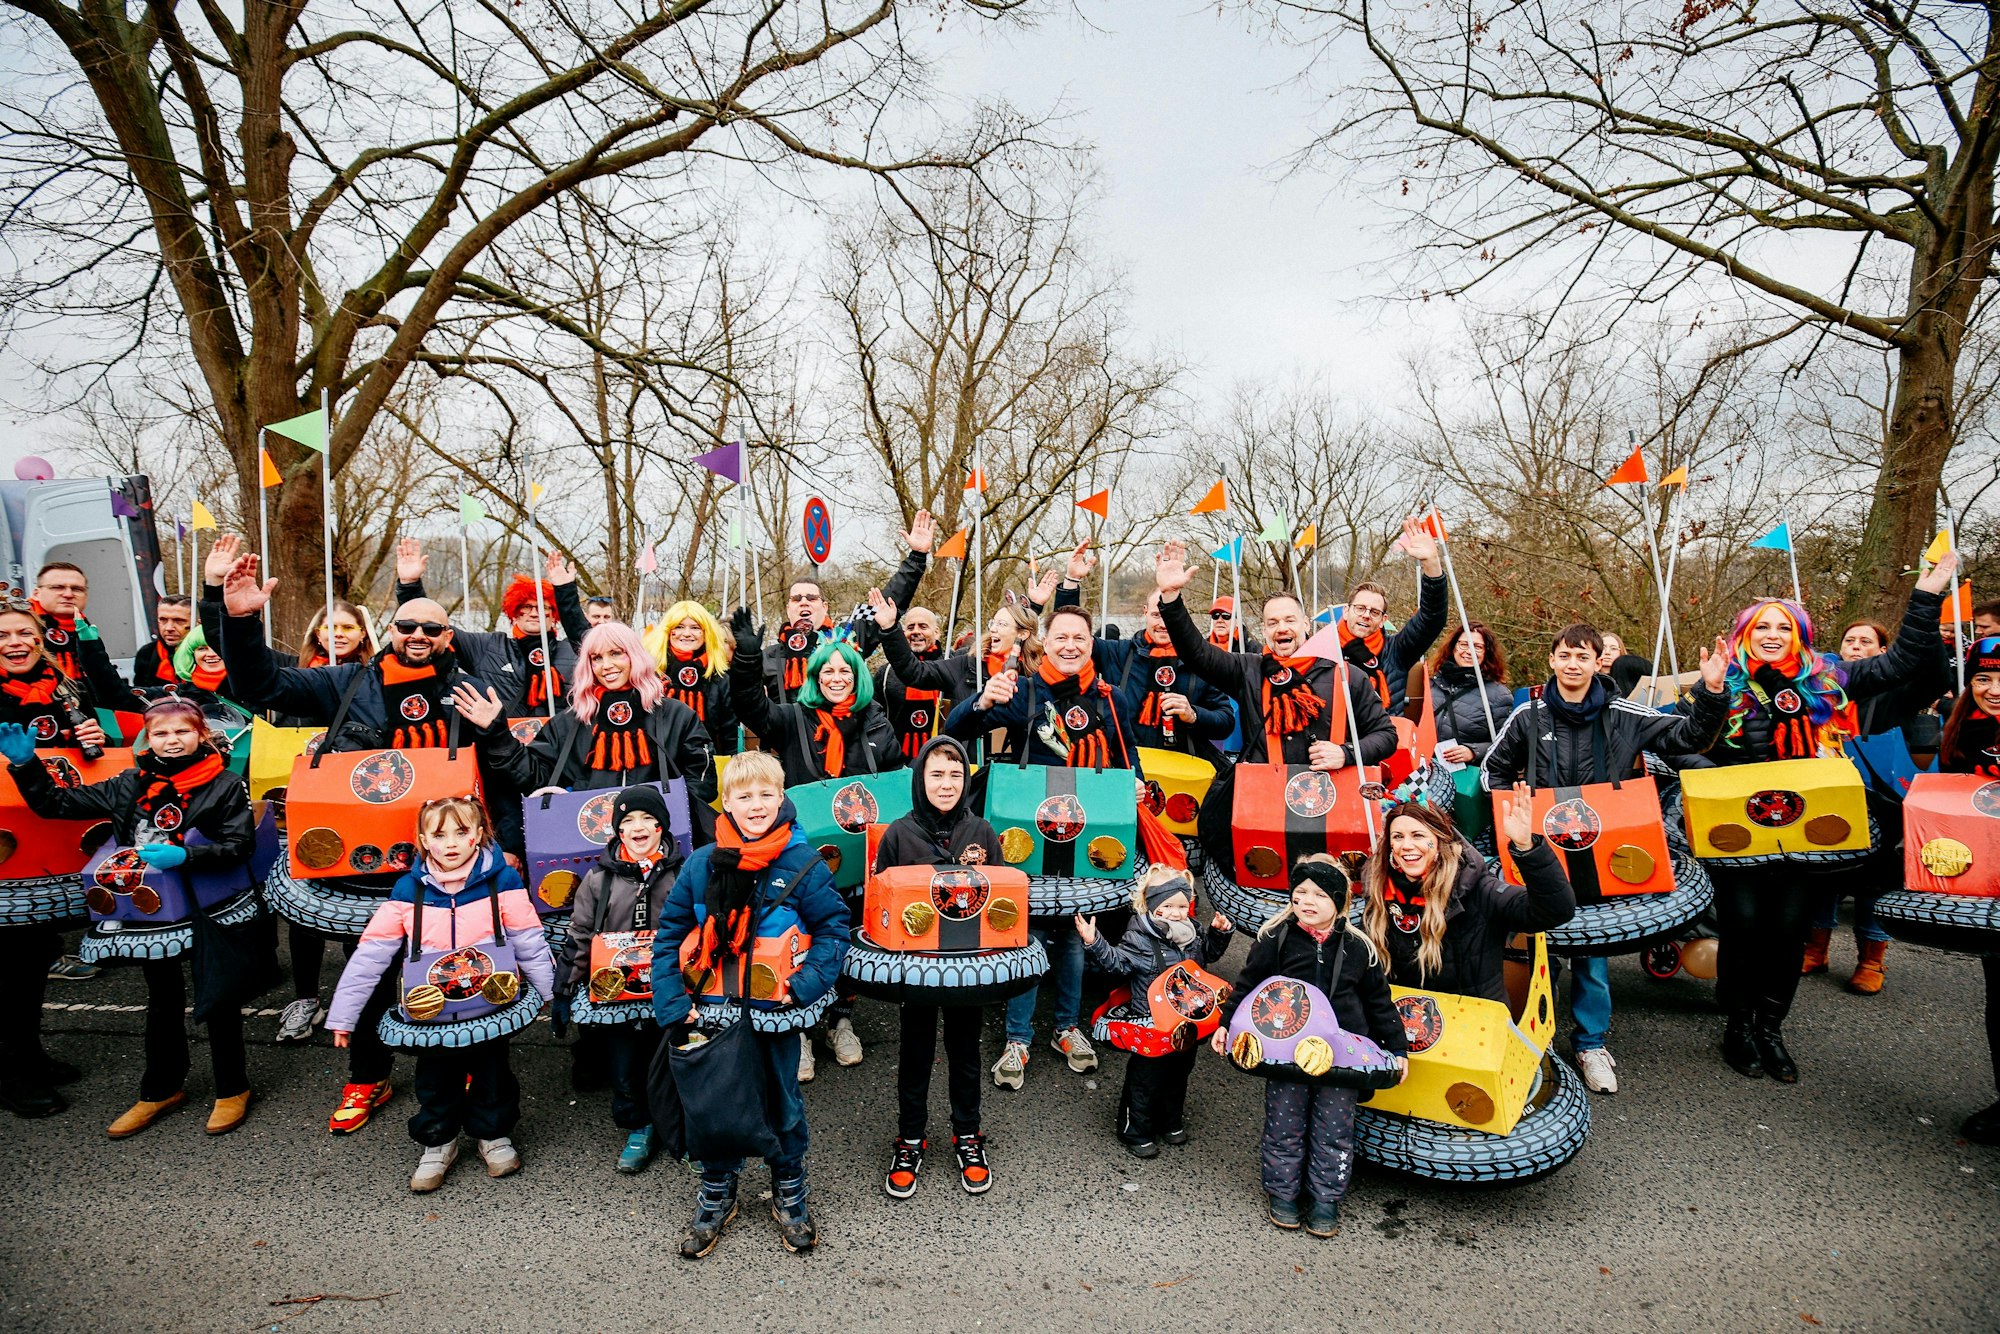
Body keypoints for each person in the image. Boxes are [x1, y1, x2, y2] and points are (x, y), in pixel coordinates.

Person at [216, 551, 508, 1132]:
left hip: (451, 861)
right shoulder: (347, 681)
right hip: (363, 864)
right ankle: (368, 1076)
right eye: (407, 626)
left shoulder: (473, 687)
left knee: (449, 963)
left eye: (431, 627)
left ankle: (457, 1069)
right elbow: (257, 683)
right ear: (390, 629)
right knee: (369, 968)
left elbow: (502, 770)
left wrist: (510, 836)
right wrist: (241, 622)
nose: (418, 635)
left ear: (447, 635)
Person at [1705, 556, 1955, 1083]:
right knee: (1744, 927)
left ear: (1800, 636)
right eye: (1762, 626)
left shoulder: (1830, 680)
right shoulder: (1718, 683)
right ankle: (1738, 1027)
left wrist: (1927, 597)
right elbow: (1685, 745)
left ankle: (1771, 1029)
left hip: (1808, 831)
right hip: (1741, 834)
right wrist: (1722, 756)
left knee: (1788, 931)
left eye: (1784, 627)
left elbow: (1906, 663)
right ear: (1744, 634)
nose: (1773, 635)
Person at [1480, 622, 1728, 1093]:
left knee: (1594, 950)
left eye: (1583, 657)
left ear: (1599, 663)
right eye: (1564, 656)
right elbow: (1493, 768)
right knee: (1537, 949)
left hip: (1608, 851)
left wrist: (1711, 691)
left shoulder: (1626, 713)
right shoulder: (1526, 715)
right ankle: (1536, 1044)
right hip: (1540, 850)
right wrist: (1508, 821)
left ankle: (1591, 1043)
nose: (1573, 664)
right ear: (1552, 661)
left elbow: (1687, 738)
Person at [2, 697, 258, 1137]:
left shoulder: (227, 784)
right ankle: (160, 1088)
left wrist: (187, 854)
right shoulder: (128, 783)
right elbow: (57, 806)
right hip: (150, 906)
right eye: (160, 733)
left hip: (208, 903)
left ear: (201, 734)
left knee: (217, 996)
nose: (172, 740)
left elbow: (241, 845)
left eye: (181, 731)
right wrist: (26, 765)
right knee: (162, 999)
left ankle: (232, 1088)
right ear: (147, 739)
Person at [945, 602, 1174, 1091]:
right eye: (1061, 637)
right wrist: (982, 701)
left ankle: (1066, 1027)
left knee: (1075, 933)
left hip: (1089, 841)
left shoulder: (1110, 699)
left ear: (1091, 645)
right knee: (1028, 933)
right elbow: (955, 731)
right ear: (1044, 643)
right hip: (1025, 839)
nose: (1071, 646)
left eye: (1080, 639)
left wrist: (1136, 784)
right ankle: (1017, 1037)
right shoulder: (1022, 692)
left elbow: (1129, 759)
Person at [651, 752, 849, 1257]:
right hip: (711, 1012)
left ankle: (788, 1186)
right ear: (727, 803)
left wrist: (804, 986)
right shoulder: (700, 864)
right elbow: (670, 934)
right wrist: (673, 1000)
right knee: (714, 1105)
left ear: (782, 797)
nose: (756, 805)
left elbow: (833, 929)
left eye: (766, 794)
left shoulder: (804, 864)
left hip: (776, 1013)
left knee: (782, 1102)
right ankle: (718, 1188)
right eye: (744, 796)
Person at [326, 796, 554, 1192]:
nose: (451, 842)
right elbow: (370, 955)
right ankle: (438, 1142)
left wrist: (551, 993)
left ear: (479, 836)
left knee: (493, 1072)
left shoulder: (504, 881)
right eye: (439, 833)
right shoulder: (407, 888)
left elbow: (529, 940)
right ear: (423, 840)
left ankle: (493, 1135)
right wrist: (344, 1015)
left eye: (462, 832)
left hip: (490, 1003)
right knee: (434, 1077)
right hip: (429, 1008)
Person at [1150, 541, 1400, 869]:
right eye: (1272, 622)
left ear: (1306, 625)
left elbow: (1386, 736)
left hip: (1330, 802)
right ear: (1264, 630)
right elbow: (1196, 652)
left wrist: (1346, 752)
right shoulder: (1248, 669)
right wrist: (1170, 597)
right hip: (1261, 803)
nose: (1281, 628)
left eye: (1289, 620)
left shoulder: (1345, 675)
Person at [732, 603, 902, 1073]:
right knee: (802, 935)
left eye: (844, 669)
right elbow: (749, 706)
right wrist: (747, 659)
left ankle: (839, 1020)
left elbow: (895, 788)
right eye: (826, 670)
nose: (835, 676)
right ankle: (801, 1027)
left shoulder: (877, 724)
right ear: (813, 676)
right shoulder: (791, 719)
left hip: (859, 861)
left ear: (857, 676)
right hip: (801, 861)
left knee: (843, 936)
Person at [1214, 857, 1408, 1236]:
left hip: (1343, 1055)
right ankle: (1282, 1192)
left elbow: (1379, 1004)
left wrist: (1397, 1051)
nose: (1307, 900)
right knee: (1284, 1123)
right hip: (1284, 1052)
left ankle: (1326, 1198)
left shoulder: (1359, 948)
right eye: (1300, 892)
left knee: (1334, 1129)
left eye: (1320, 894)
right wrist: (1226, 1025)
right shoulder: (1276, 938)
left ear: (1340, 901)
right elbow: (1248, 985)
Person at [872, 736, 1001, 1198]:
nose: (946, 784)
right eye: (936, 774)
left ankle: (968, 1135)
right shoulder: (899, 834)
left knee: (967, 1053)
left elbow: (1001, 898)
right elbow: (878, 903)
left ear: (966, 779)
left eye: (955, 774)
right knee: (916, 1053)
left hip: (967, 971)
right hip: (917, 972)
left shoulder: (982, 832)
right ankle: (910, 1139)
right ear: (919, 779)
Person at [0, 598, 108, 1115]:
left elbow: (79, 756)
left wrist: (88, 736)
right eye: (3, 635)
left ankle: (29, 1050)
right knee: (8, 962)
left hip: (49, 844)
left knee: (35, 953)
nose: (14, 643)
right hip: (5, 846)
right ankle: (12, 1072)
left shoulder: (63, 686)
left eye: (24, 633)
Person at [1803, 616, 1947, 993]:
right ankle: (1816, 949)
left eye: (1866, 641)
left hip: (1881, 804)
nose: (1855, 647)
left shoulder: (1899, 693)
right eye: (1849, 640)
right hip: (1828, 797)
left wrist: (1928, 627)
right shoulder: (1821, 692)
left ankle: (1871, 961)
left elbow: (1935, 678)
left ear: (1883, 652)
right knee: (1823, 877)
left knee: (1874, 882)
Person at [458, 621, 717, 818]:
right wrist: (497, 731)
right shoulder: (570, 722)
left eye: (616, 653)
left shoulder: (674, 714)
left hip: (663, 839)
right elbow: (535, 778)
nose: (606, 665)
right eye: (597, 658)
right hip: (587, 842)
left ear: (634, 656)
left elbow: (702, 779)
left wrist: (669, 812)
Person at [558, 785, 683, 1173]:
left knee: (676, 1058)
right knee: (626, 1064)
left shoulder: (683, 872)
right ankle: (638, 1125)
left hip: (668, 986)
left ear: (662, 826)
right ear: (617, 831)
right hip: (616, 992)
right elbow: (579, 934)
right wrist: (563, 990)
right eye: (628, 821)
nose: (638, 827)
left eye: (647, 818)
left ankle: (680, 1123)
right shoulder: (598, 880)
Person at [1077, 865, 1233, 1158]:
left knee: (1179, 1074)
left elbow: (1207, 956)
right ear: (1150, 905)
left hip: (1187, 1022)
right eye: (1168, 906)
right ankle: (1135, 1130)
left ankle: (1170, 1121)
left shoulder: (1192, 932)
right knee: (1145, 1080)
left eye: (1182, 906)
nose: (1176, 913)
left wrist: (1218, 934)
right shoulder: (1139, 938)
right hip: (1152, 1024)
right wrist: (1094, 942)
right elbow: (1118, 964)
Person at [1358, 795, 1576, 1003]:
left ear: (1440, 841)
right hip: (1408, 1026)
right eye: (1397, 837)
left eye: (1418, 835)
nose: (1406, 845)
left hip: (1476, 1027)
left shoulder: (1478, 887)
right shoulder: (1378, 891)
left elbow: (1555, 910)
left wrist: (1527, 848)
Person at [1044, 543, 1234, 755]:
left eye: (1166, 616)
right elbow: (1069, 635)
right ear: (1144, 612)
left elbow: (1226, 722)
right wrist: (1071, 582)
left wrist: (1194, 714)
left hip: (1186, 771)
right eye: (1155, 615)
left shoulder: (1201, 661)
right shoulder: (1118, 653)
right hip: (1128, 767)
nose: (1162, 624)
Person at [393, 539, 589, 715]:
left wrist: (564, 590)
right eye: (526, 607)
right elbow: (433, 630)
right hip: (506, 748)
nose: (535, 613)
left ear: (553, 613)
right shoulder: (489, 647)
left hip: (559, 749)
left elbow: (587, 636)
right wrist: (410, 585)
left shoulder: (574, 651)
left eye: (542, 607)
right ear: (514, 611)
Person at [1936, 636, 2000, 1145]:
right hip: (1988, 892)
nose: (1993, 690)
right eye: (1983, 678)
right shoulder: (1964, 734)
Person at [762, 512, 934, 701]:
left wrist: (916, 558)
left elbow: (885, 606)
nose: (804, 602)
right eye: (797, 599)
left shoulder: (847, 638)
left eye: (811, 598)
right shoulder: (767, 658)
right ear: (788, 609)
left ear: (824, 606)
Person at [1335, 517, 1447, 713]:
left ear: (1383, 620)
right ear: (1346, 611)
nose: (1366, 615)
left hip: (1384, 740)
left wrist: (1432, 565)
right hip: (1334, 742)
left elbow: (1431, 617)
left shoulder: (1396, 652)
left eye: (1374, 612)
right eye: (1360, 608)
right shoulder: (1323, 652)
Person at [642, 600, 739, 755]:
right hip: (655, 765)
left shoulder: (719, 678)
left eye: (695, 628)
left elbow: (730, 734)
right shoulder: (650, 673)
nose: (686, 633)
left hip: (703, 763)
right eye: (679, 627)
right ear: (668, 631)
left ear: (706, 633)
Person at [29, 562, 130, 707]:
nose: (68, 594)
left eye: (77, 589)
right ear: (36, 594)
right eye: (57, 587)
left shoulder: (85, 629)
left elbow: (109, 689)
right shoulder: (18, 628)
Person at [1425, 623, 1516, 765]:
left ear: (1487, 653)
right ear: (1453, 647)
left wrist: (1473, 752)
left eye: (1478, 647)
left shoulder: (1499, 696)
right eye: (1464, 644)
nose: (1469, 651)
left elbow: (1507, 745)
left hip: (1464, 779)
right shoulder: (1429, 684)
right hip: (1422, 771)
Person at [875, 603, 953, 761]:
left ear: (936, 632)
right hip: (897, 762)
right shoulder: (886, 674)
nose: (916, 631)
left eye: (923, 626)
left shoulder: (953, 665)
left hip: (947, 759)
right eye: (911, 627)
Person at [133, 595, 193, 689]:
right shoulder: (146, 653)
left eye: (178, 621)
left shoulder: (208, 654)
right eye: (163, 620)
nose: (169, 628)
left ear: (197, 622)